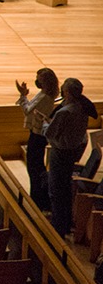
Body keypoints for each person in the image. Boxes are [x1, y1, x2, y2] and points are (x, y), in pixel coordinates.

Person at [43, 77, 97, 236]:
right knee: (65, 190)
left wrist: (45, 123)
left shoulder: (65, 111)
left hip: (60, 153)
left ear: (67, 92)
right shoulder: (82, 107)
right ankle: (64, 224)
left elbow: (49, 133)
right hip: (72, 152)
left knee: (56, 190)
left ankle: (58, 227)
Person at [15, 68, 60, 208]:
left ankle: (38, 200)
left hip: (38, 135)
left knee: (34, 167)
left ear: (45, 81)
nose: (37, 81)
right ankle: (38, 198)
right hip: (36, 133)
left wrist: (23, 96)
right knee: (35, 166)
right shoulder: (44, 93)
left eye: (39, 78)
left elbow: (28, 110)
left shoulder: (45, 97)